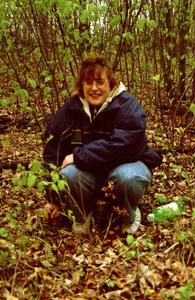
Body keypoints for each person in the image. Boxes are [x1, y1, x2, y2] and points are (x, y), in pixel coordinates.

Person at [43, 55, 162, 235]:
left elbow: (127, 145)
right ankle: (83, 216)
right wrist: (54, 198)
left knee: (128, 177)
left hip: (124, 168)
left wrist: (78, 156)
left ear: (111, 83)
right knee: (68, 173)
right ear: (81, 85)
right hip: (90, 174)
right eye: (88, 82)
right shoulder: (71, 109)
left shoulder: (128, 105)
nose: (94, 88)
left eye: (100, 82)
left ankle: (129, 215)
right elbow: (53, 151)